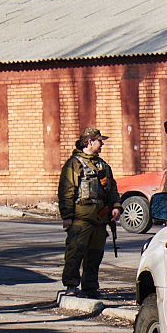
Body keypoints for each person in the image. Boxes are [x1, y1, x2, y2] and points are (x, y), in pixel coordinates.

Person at [58, 128, 121, 298]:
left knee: (95, 254)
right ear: (89, 142)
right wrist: (67, 216)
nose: (102, 144)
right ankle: (71, 285)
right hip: (81, 218)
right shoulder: (74, 164)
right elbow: (67, 191)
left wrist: (116, 206)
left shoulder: (103, 165)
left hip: (100, 218)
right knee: (75, 252)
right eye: (99, 141)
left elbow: (112, 189)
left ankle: (90, 287)